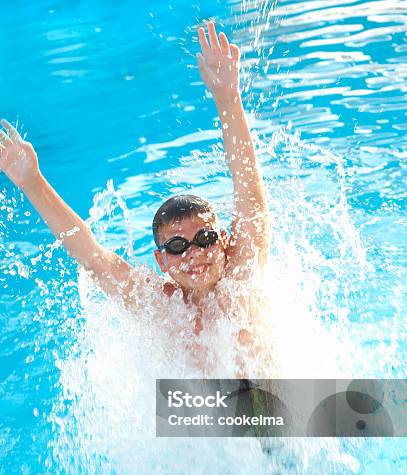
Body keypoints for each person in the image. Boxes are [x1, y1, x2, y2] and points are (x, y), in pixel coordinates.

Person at [0, 22, 270, 343]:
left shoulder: (242, 270)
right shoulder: (159, 304)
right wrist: (32, 182)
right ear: (161, 260)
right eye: (177, 246)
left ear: (223, 239)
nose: (194, 253)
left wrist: (227, 98)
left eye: (205, 237)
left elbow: (249, 190)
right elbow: (93, 258)